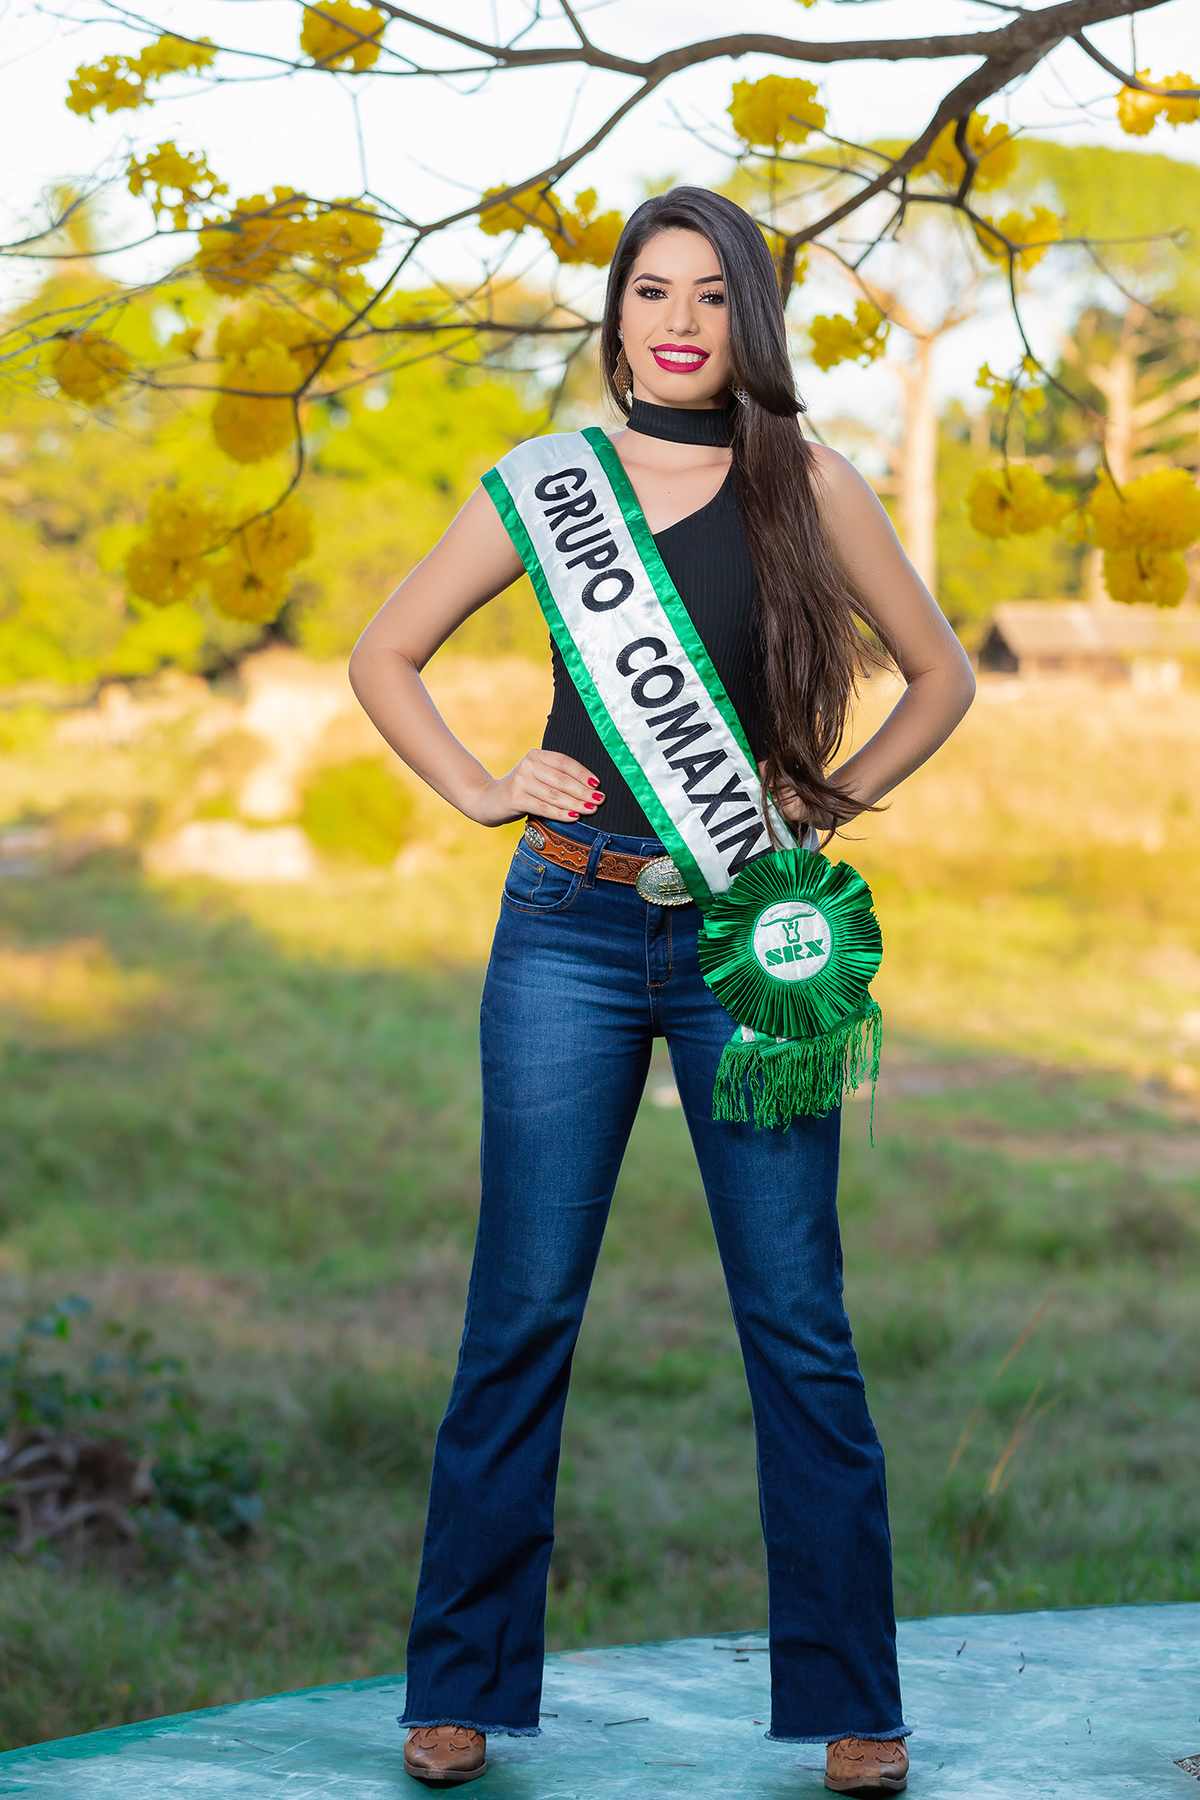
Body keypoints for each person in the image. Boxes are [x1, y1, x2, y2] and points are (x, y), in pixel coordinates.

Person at [349, 186, 975, 1795]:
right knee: (522, 1313)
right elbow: (384, 656)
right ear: (616, 315)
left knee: (797, 1322)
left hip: (738, 948)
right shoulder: (551, 485)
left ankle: (855, 1706)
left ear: (745, 320)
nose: (677, 318)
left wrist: (818, 803)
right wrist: (486, 788)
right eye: (649, 292)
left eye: (710, 293)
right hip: (563, 926)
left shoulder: (804, 482)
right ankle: (459, 1690)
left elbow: (942, 674)